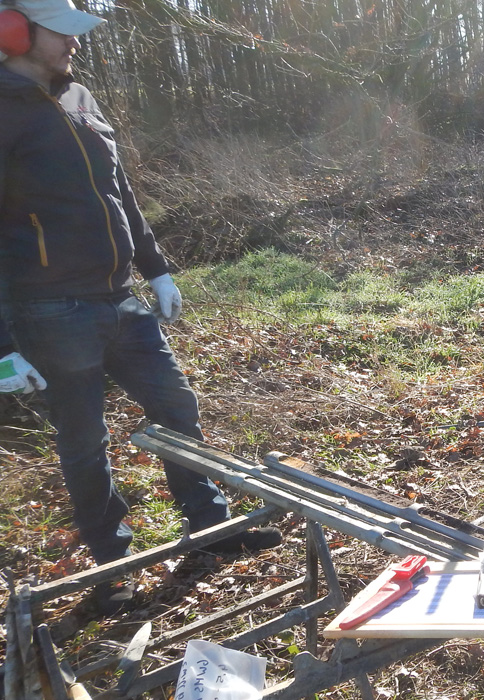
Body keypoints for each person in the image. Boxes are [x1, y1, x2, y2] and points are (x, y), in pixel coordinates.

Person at [0, 0, 281, 612]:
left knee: (176, 405)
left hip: (119, 300)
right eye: (62, 32)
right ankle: (113, 570)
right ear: (15, 33)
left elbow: (119, 191)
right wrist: (3, 348)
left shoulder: (82, 100)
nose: (74, 44)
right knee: (84, 441)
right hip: (50, 310)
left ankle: (212, 530)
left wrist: (156, 270)